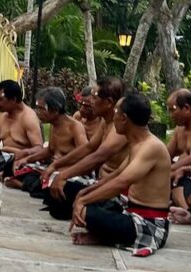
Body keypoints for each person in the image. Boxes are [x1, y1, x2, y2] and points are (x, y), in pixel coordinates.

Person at [71, 94, 172, 256]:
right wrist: (84, 193)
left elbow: (121, 182)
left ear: (124, 118)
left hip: (148, 224)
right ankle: (106, 234)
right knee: (78, 199)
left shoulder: (151, 146)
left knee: (84, 211)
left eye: (116, 112)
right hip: (130, 211)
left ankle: (106, 236)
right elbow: (117, 174)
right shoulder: (137, 143)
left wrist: (83, 200)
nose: (113, 117)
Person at [42, 76, 128, 220]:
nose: (90, 101)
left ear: (108, 103)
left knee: (64, 192)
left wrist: (64, 174)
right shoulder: (106, 122)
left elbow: (98, 156)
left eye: (94, 97)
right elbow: (88, 148)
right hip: (100, 183)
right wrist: (56, 166)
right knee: (55, 194)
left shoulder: (121, 127)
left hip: (118, 191)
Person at [7, 87, 87, 192]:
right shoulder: (53, 125)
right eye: (38, 108)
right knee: (17, 167)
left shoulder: (75, 127)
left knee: (59, 185)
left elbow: (85, 152)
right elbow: (49, 150)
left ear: (55, 110)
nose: (38, 112)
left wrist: (62, 166)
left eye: (42, 109)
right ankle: (29, 184)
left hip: (68, 171)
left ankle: (24, 186)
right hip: (52, 168)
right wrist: (27, 159)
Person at [166, 88, 191, 222]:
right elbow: (164, 156)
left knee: (177, 177)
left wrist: (178, 169)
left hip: (185, 179)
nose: (171, 115)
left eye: (173, 109)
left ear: (186, 108)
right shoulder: (179, 131)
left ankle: (186, 213)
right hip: (180, 181)